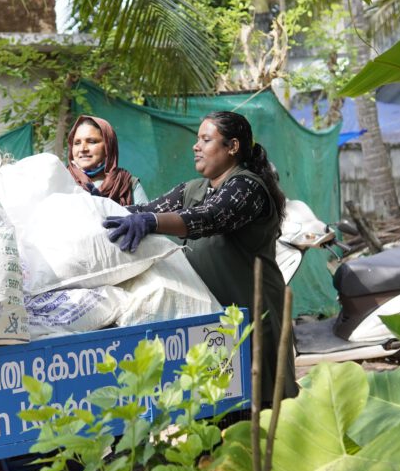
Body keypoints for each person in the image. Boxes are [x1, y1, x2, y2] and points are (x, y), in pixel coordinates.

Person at [102, 110, 298, 402]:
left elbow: (211, 217)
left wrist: (153, 223)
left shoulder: (248, 187)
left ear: (232, 147)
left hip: (254, 311)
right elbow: (146, 210)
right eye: (197, 140)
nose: (196, 146)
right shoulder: (194, 189)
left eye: (206, 139)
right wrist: (102, 214)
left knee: (264, 402)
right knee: (222, 402)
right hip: (215, 317)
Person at [66, 114, 148, 205]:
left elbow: (146, 217)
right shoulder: (62, 179)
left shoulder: (127, 183)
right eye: (77, 143)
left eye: (92, 142)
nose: (82, 149)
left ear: (108, 145)